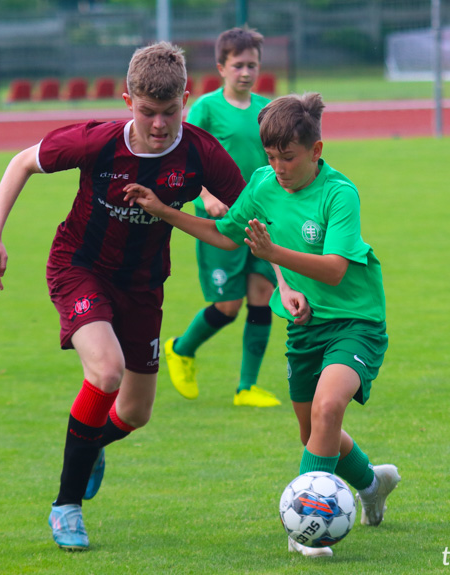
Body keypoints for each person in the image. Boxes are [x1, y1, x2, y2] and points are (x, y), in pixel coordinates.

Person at [0, 42, 247, 552]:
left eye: (171, 112)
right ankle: (66, 507)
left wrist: (283, 279)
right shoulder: (96, 142)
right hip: (80, 268)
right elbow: (20, 164)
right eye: (148, 112)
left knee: (137, 411)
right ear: (128, 101)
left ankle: (90, 443)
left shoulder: (201, 153)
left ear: (186, 100)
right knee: (105, 370)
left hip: (143, 285)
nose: (160, 124)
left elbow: (250, 218)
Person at [124, 93, 401, 558]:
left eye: (288, 157)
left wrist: (274, 257)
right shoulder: (262, 184)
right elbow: (223, 235)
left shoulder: (339, 193)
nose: (278, 167)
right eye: (271, 157)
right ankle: (372, 484)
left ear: (315, 151)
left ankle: (306, 528)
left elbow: (334, 268)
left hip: (355, 321)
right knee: (311, 431)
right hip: (306, 328)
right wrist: (165, 212)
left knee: (328, 410)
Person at [164, 26, 281, 407]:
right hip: (222, 222)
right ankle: (181, 348)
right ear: (221, 67)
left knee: (261, 295)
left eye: (253, 65)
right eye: (239, 65)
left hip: (261, 219)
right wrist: (205, 195)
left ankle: (246, 387)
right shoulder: (206, 109)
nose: (246, 72)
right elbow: (184, 160)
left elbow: (274, 164)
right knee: (228, 307)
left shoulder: (267, 109)